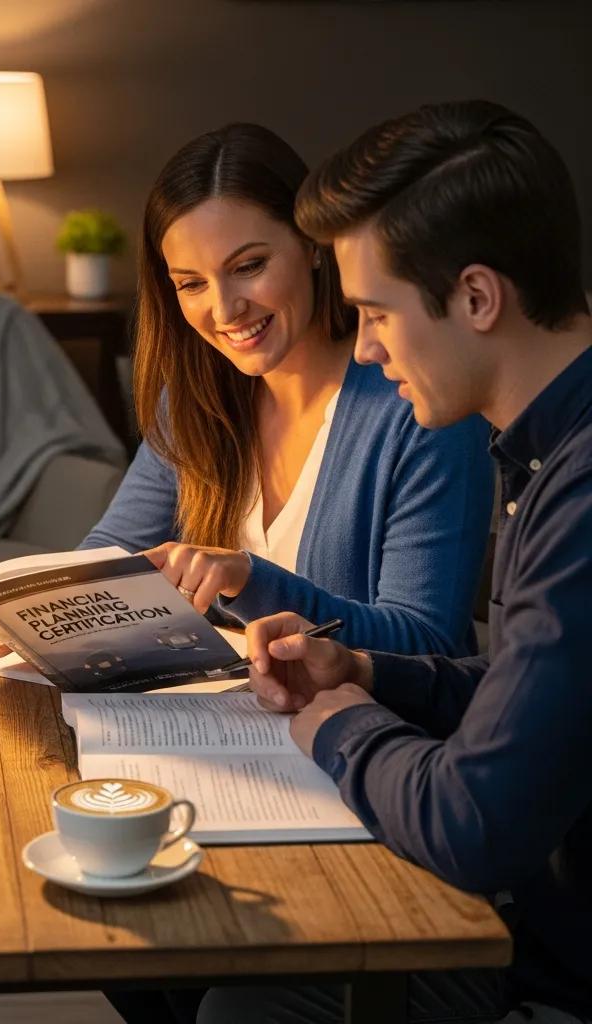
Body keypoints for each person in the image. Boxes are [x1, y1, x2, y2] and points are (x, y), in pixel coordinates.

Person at [203, 101, 592, 1023]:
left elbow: (474, 822)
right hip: (534, 926)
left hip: (551, 968)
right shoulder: (547, 453)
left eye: (376, 312)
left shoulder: (580, 493)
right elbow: (534, 697)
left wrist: (336, 721)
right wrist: (367, 671)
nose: (367, 346)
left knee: (241, 1000)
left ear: (477, 297)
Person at [0, 123, 493, 665]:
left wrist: (248, 579)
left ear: (313, 247)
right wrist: (34, 612)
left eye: (248, 267)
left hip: (376, 737)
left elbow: (426, 643)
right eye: (192, 283)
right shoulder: (195, 397)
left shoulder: (423, 405)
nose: (224, 311)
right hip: (232, 724)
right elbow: (114, 551)